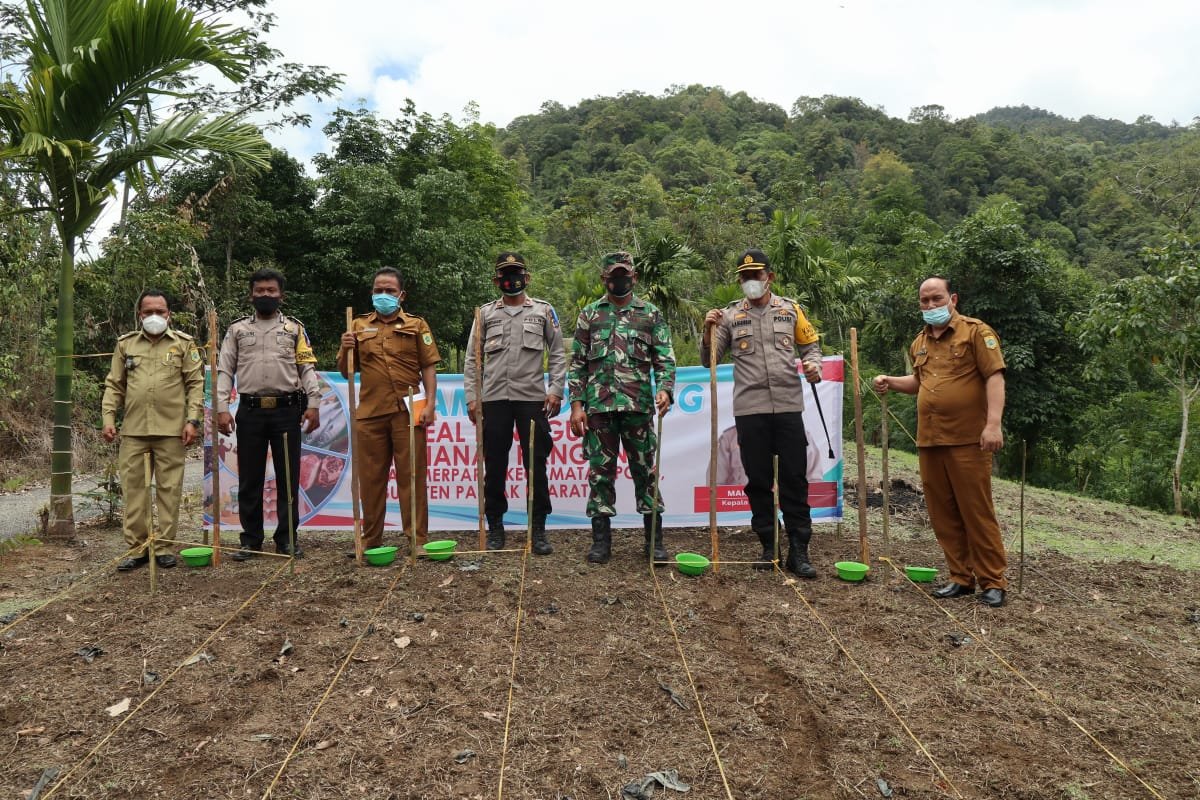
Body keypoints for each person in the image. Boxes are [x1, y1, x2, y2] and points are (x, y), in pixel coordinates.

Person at [872, 276, 1008, 608]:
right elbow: (919, 382)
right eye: (924, 301)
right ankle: (960, 577)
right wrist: (891, 380)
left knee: (975, 510)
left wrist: (993, 425)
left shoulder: (977, 333)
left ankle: (993, 581)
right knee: (942, 512)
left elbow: (995, 377)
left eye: (937, 299)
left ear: (953, 299)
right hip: (930, 440)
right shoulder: (919, 342)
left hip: (968, 440)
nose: (930, 306)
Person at [701, 249, 823, 578]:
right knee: (757, 480)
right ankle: (768, 545)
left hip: (787, 406)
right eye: (745, 277)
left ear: (769, 277)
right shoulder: (729, 316)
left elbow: (810, 346)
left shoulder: (791, 310)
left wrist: (814, 365)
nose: (750, 282)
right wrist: (707, 331)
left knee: (795, 479)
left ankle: (799, 550)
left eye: (756, 275)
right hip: (749, 410)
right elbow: (708, 359)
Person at [568, 251, 676, 564]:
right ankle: (601, 542)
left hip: (638, 407)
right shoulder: (590, 315)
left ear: (634, 277)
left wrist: (666, 391)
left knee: (646, 473)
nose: (619, 280)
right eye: (613, 276)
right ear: (604, 279)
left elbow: (664, 360)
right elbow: (577, 365)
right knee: (600, 475)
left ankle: (654, 542)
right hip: (599, 409)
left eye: (624, 275)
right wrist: (577, 406)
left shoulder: (650, 314)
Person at [464, 252, 567, 555]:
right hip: (494, 400)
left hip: (532, 400)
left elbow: (558, 353)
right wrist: (473, 398)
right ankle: (496, 526)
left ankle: (538, 529)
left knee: (535, 466)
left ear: (527, 277)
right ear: (496, 280)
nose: (512, 279)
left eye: (517, 273)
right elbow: (473, 360)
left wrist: (556, 390)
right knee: (495, 467)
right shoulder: (484, 314)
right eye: (505, 274)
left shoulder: (543, 311)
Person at [216, 268, 322, 560]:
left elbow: (306, 368)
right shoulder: (237, 330)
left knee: (288, 478)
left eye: (271, 291)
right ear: (251, 294)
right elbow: (225, 370)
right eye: (260, 290)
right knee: (250, 478)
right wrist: (222, 408)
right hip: (249, 412)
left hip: (287, 412)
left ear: (281, 296)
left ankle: (286, 539)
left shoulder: (294, 330)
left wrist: (313, 403)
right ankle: (250, 541)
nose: (265, 295)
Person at [337, 267, 440, 550]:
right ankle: (370, 542)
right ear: (371, 294)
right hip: (370, 414)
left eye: (390, 291)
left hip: (409, 412)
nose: (383, 295)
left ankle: (417, 541)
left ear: (401, 295)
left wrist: (430, 404)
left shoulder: (417, 325)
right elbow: (346, 373)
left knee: (413, 478)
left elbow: (428, 366)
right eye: (378, 290)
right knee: (370, 482)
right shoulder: (356, 326)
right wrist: (346, 348)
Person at [102, 290, 204, 571]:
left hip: (172, 430)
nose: (154, 316)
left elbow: (195, 383)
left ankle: (163, 548)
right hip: (133, 430)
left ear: (169, 313)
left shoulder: (183, 344)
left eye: (160, 311)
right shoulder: (126, 345)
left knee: (169, 490)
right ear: (140, 315)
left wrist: (192, 420)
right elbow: (115, 385)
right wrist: (108, 418)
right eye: (148, 312)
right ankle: (138, 548)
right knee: (134, 490)